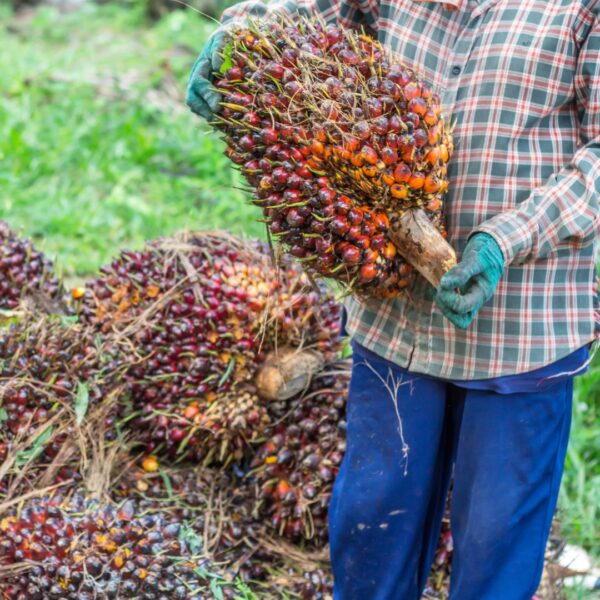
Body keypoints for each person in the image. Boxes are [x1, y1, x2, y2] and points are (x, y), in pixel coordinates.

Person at [187, 1, 600, 598]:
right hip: (396, 321)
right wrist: (240, 35)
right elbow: (304, 14)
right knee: (370, 531)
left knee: (495, 555)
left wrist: (505, 241)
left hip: (522, 327)